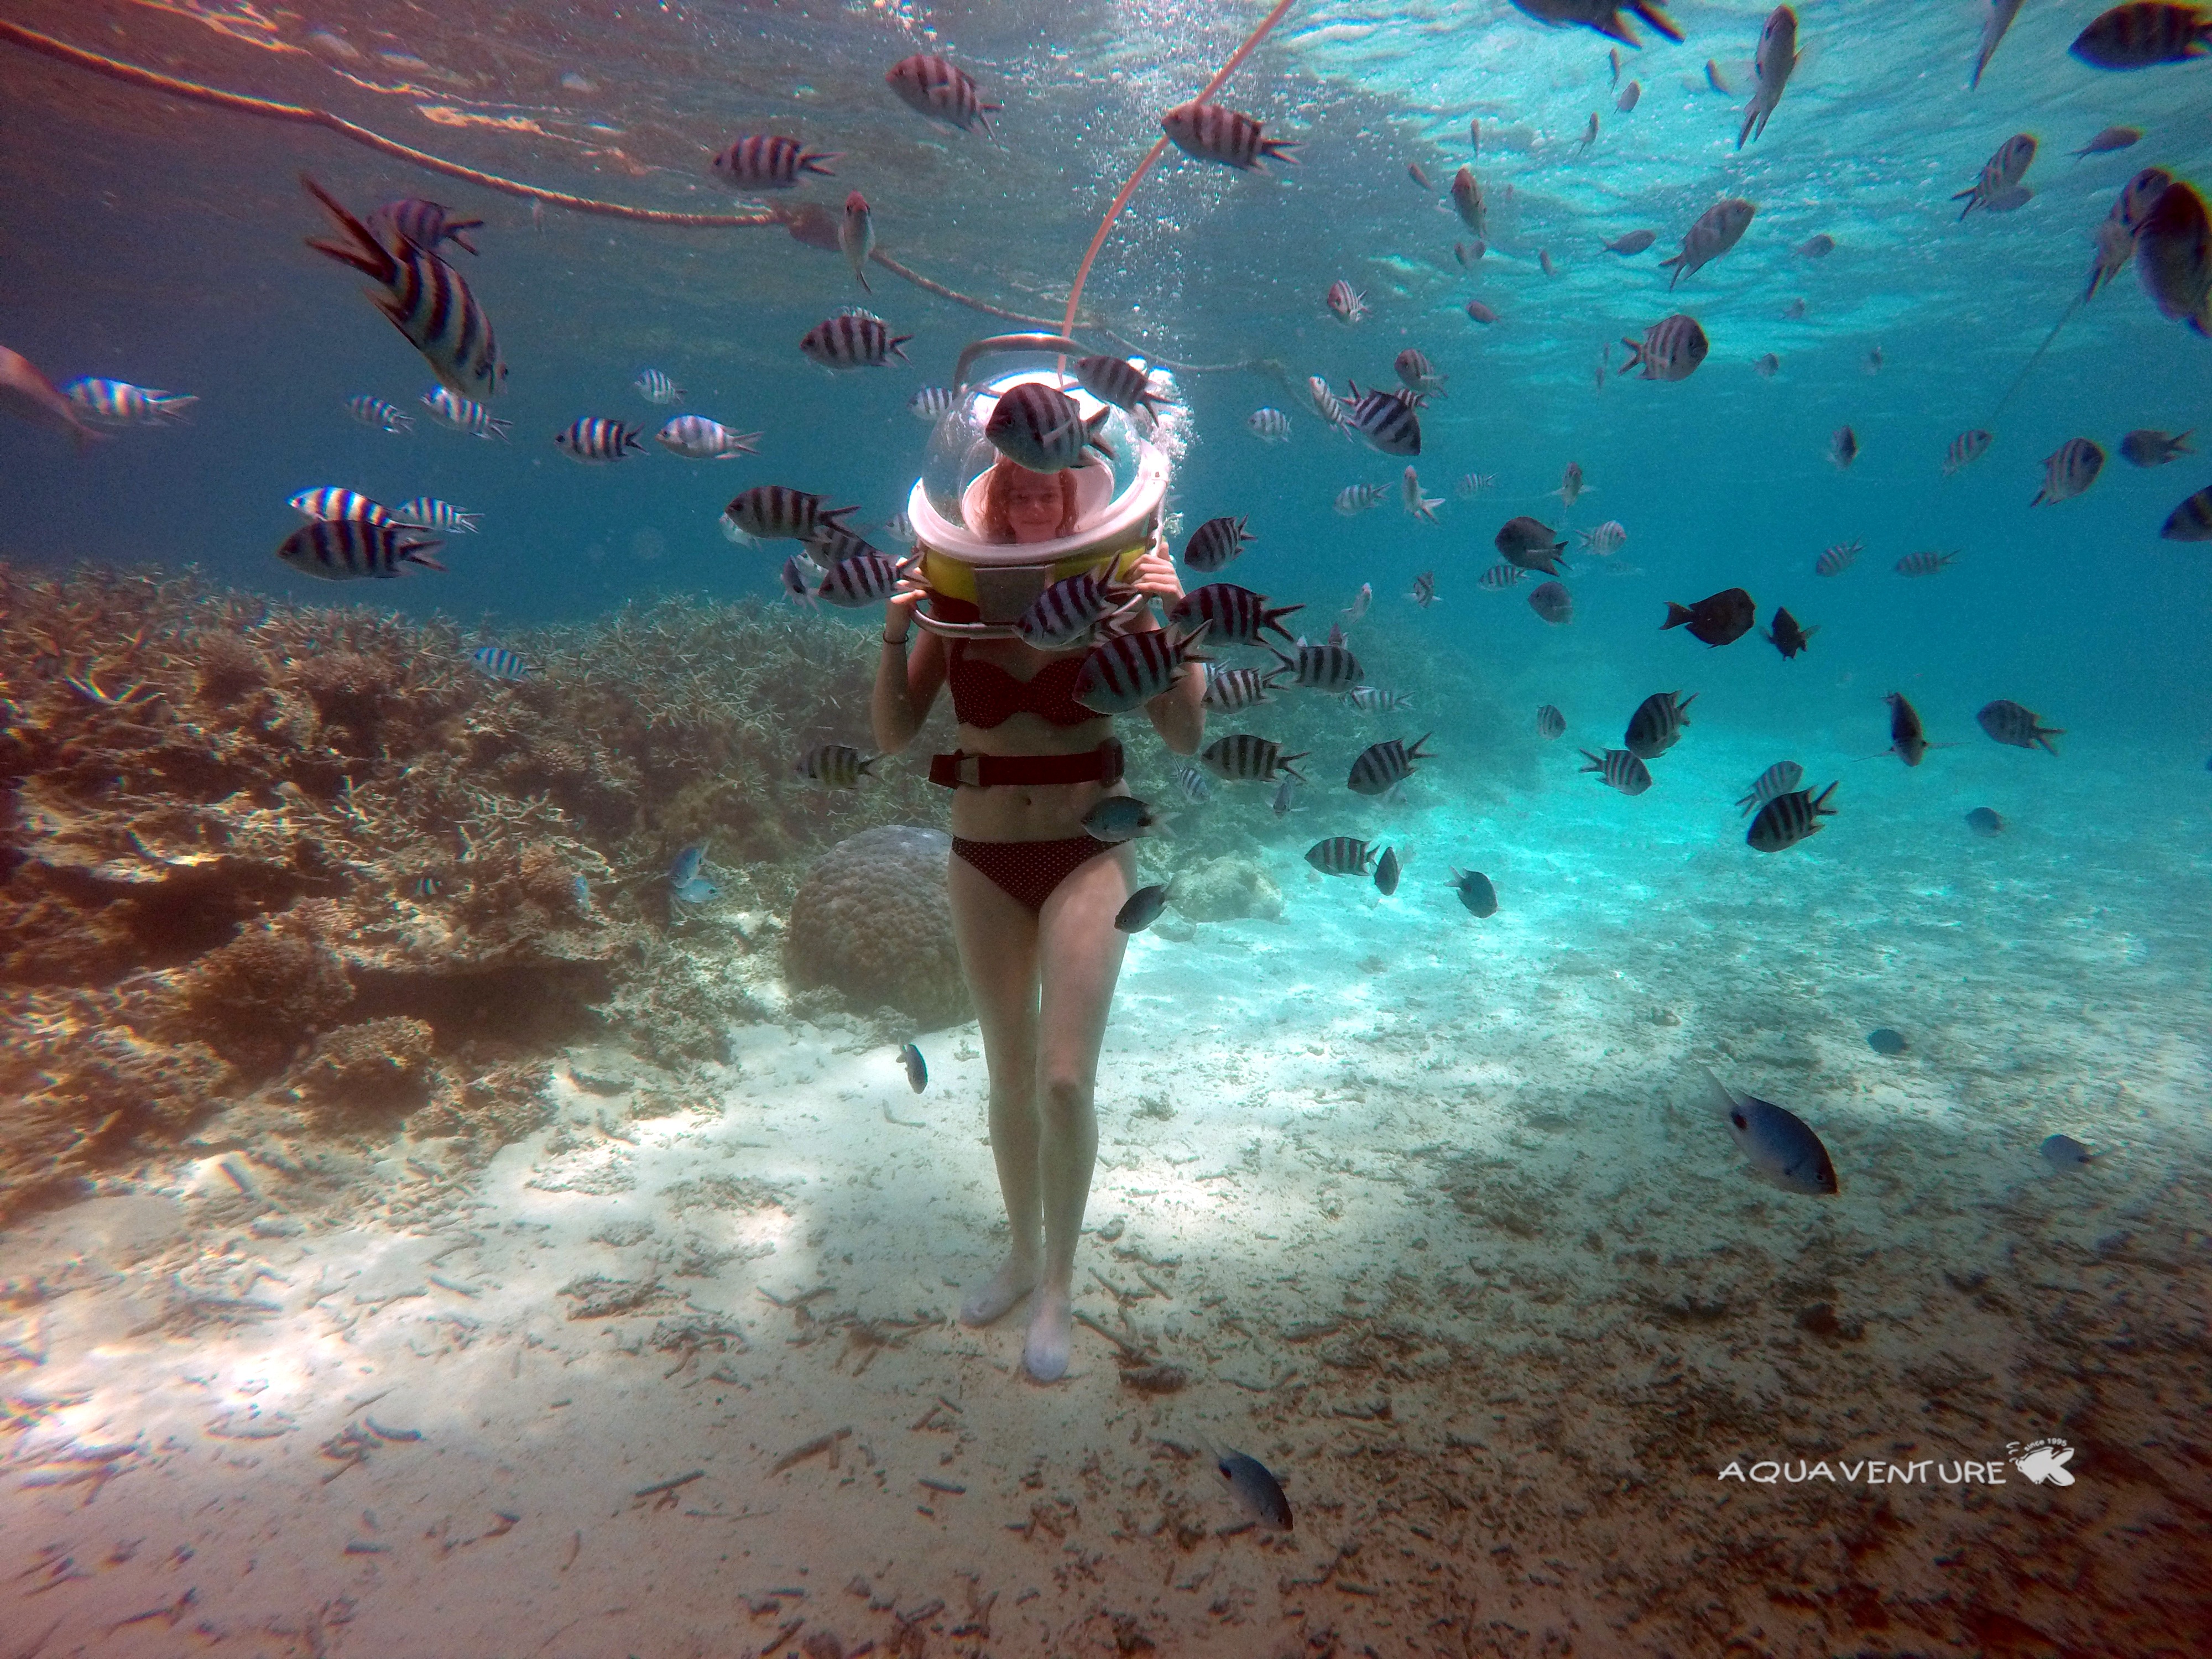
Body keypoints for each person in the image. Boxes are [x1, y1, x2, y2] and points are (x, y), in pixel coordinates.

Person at [872, 455, 1202, 1381]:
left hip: (1086, 853)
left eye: (1048, 488)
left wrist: (1169, 619)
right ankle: (1021, 1254)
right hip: (982, 857)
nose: (1031, 502)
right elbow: (894, 735)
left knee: (1064, 1082)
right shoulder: (957, 603)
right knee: (1009, 1074)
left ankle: (1059, 1283)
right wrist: (896, 632)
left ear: (1073, 499)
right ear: (991, 501)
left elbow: (1186, 736)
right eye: (1014, 488)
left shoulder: (1117, 598)